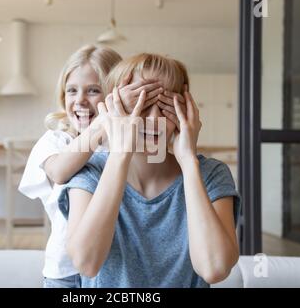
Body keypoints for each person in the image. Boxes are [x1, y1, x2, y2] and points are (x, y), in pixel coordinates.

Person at [58, 53, 241, 287]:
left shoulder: (210, 174)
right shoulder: (91, 173)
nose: (154, 118)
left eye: (165, 105)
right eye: (141, 105)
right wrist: (120, 153)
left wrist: (188, 162)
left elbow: (214, 268)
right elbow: (86, 262)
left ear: (185, 111)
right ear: (113, 111)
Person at [18, 46, 164, 288]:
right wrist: (107, 121)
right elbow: (59, 172)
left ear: (116, 95)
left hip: (117, 272)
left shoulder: (127, 141)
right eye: (72, 91)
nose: (80, 100)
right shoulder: (57, 141)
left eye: (93, 90)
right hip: (67, 273)